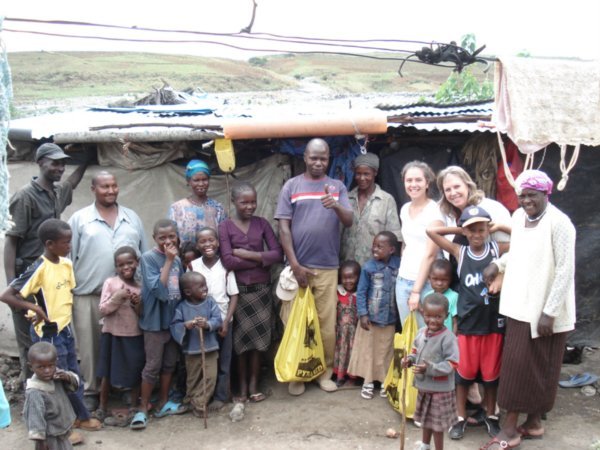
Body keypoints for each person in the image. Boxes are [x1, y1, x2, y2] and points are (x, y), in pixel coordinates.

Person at [480, 170, 576, 450]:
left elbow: (565, 271)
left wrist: (550, 311)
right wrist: (498, 265)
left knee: (532, 368)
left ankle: (510, 430)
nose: (526, 201)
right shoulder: (519, 218)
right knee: (527, 367)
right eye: (522, 196)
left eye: (532, 195)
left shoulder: (560, 224)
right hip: (521, 305)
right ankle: (533, 423)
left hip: (546, 311)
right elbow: (519, 252)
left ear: (546, 194)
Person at [0, 219, 101, 435]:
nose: (70, 246)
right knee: (56, 379)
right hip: (48, 334)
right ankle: (62, 426)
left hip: (64, 329)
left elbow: (63, 296)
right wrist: (33, 309)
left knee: (72, 375)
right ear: (49, 244)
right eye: (66, 242)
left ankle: (80, 417)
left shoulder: (66, 264)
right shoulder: (39, 268)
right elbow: (6, 295)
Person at [4, 143, 89, 383]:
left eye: (63, 163)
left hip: (50, 277)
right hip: (29, 275)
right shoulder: (25, 197)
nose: (60, 168)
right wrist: (14, 288)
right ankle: (32, 388)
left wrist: (87, 158)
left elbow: (71, 183)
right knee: (30, 338)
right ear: (40, 162)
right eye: (54, 163)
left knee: (52, 331)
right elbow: (11, 241)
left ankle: (55, 389)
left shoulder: (56, 192)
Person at [275, 138, 353, 395]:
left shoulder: (337, 186)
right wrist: (295, 265)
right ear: (305, 157)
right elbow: (283, 227)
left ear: (329, 159)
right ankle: (298, 373)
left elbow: (349, 220)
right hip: (298, 268)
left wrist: (337, 205)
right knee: (296, 324)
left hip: (328, 267)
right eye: (314, 158)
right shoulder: (292, 186)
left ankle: (323, 372)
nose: (318, 163)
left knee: (325, 325)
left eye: (323, 158)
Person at [426, 206, 510, 441]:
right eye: (471, 230)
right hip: (468, 325)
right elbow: (431, 232)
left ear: (488, 230)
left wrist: (500, 227)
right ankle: (460, 418)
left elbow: (522, 239)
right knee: (463, 375)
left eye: (481, 229)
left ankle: (491, 416)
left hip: (493, 323)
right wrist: (461, 228)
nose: (477, 235)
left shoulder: (495, 248)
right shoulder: (460, 251)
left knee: (492, 376)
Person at [68, 171, 147, 398]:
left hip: (128, 297)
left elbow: (143, 252)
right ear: (93, 189)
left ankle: (122, 386)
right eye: (105, 187)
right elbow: (69, 259)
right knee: (90, 347)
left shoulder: (131, 217)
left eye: (114, 185)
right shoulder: (80, 219)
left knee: (124, 344)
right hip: (89, 294)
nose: (111, 190)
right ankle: (92, 392)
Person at [218, 182, 283, 403]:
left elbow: (277, 254)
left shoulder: (262, 223)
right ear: (234, 202)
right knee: (241, 342)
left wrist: (247, 255)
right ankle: (242, 386)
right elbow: (227, 260)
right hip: (239, 294)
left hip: (261, 292)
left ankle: (255, 384)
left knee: (259, 342)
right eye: (244, 202)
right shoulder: (225, 227)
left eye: (253, 201)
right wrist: (260, 260)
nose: (249, 206)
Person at [135, 219, 186, 431]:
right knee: (152, 366)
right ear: (154, 238)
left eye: (171, 236)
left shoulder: (178, 260)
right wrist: (167, 261)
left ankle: (163, 402)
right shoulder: (148, 258)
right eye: (162, 238)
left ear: (177, 237)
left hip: (172, 321)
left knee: (169, 364)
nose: (167, 241)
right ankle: (143, 407)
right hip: (155, 322)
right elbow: (157, 290)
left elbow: (180, 288)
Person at [403, 293, 459, 450]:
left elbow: (452, 363)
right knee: (426, 420)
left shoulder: (448, 338)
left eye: (438, 317)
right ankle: (425, 445)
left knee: (437, 426)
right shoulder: (421, 333)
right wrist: (409, 360)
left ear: (446, 316)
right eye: (428, 316)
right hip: (425, 387)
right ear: (422, 313)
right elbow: (415, 352)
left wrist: (431, 368)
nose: (432, 321)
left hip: (440, 390)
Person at [191, 227, 239, 411]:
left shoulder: (226, 266)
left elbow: (233, 295)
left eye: (211, 240)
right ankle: (203, 397)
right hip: (202, 323)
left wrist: (226, 321)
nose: (207, 244)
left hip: (224, 320)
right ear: (197, 245)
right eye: (202, 241)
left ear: (218, 243)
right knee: (206, 360)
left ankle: (221, 396)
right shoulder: (193, 266)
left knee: (224, 361)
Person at [348, 231, 400, 400]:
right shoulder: (368, 268)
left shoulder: (398, 265)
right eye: (374, 245)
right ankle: (368, 381)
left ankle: (386, 381)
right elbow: (361, 292)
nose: (374, 249)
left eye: (380, 246)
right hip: (371, 319)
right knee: (369, 351)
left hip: (391, 318)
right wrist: (362, 314)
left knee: (386, 351)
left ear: (392, 250)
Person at [96, 247, 144, 425]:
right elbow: (103, 310)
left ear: (137, 263)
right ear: (116, 267)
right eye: (121, 264)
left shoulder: (140, 287)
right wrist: (118, 297)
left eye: (130, 263)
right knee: (106, 371)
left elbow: (141, 315)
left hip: (133, 334)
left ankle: (133, 406)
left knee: (135, 369)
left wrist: (136, 304)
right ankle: (102, 406)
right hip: (112, 333)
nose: (126, 267)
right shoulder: (111, 283)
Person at [395, 161, 445, 329]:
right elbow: (406, 244)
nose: (413, 185)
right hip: (403, 280)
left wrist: (416, 291)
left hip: (425, 284)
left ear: (427, 183)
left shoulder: (434, 211)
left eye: (418, 180)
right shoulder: (404, 209)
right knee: (407, 335)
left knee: (427, 336)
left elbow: (431, 254)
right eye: (409, 181)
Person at [170, 272, 222, 419]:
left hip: (210, 348)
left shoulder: (210, 302)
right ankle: (190, 399)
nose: (205, 288)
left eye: (205, 285)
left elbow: (218, 319)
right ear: (188, 292)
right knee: (193, 378)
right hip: (191, 351)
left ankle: (199, 403)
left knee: (210, 377)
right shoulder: (181, 307)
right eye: (200, 287)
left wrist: (207, 324)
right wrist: (186, 325)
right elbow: (175, 326)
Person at [340, 152, 401, 266]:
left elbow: (394, 238)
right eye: (358, 174)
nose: (362, 178)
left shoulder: (386, 200)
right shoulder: (347, 198)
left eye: (366, 174)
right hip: (347, 268)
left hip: (375, 267)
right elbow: (338, 233)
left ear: (375, 173)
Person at [23, 342, 80, 450]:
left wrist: (67, 377)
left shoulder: (57, 376)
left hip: (62, 431)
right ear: (31, 367)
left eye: (51, 365)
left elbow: (75, 385)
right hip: (50, 436)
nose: (47, 370)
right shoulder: (35, 391)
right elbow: (35, 418)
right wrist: (41, 441)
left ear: (56, 362)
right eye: (41, 367)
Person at [168, 159, 226, 247]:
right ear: (188, 181)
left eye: (204, 179)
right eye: (196, 180)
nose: (201, 183)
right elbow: (171, 238)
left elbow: (223, 238)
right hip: (185, 259)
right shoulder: (177, 208)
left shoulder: (218, 208)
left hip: (212, 258)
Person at [332, 260, 361, 388]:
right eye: (344, 278)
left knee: (354, 352)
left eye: (352, 277)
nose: (348, 281)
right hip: (340, 332)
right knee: (340, 351)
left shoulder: (360, 294)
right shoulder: (337, 292)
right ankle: (339, 375)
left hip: (355, 332)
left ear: (358, 277)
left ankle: (353, 376)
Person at [424, 259, 458, 333]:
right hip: (431, 337)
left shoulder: (454, 297)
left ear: (450, 280)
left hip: (447, 339)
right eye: (435, 279)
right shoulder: (427, 296)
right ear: (429, 278)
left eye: (444, 280)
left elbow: (455, 322)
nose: (439, 283)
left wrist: (453, 339)